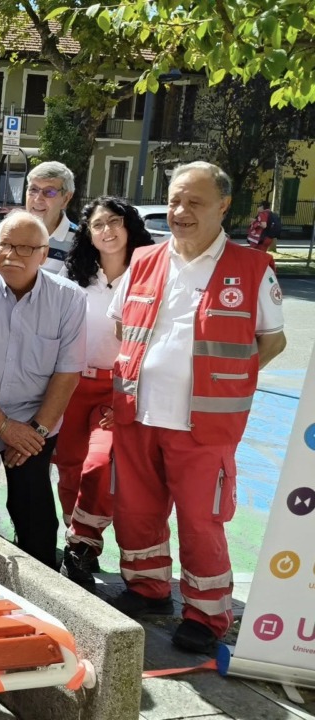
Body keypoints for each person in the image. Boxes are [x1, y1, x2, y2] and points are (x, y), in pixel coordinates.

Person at [108, 162, 286, 654]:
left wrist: (226, 381)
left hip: (204, 426)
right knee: (136, 509)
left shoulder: (252, 268)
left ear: (224, 206)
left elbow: (273, 341)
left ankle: (207, 616)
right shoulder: (143, 259)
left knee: (201, 521)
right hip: (138, 414)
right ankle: (148, 590)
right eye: (175, 200)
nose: (180, 212)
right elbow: (122, 327)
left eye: (195, 202)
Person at [0, 210, 86, 569]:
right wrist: (5, 427)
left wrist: (34, 432)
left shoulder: (68, 299)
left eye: (24, 248)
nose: (10, 254)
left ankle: (43, 590)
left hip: (35, 423)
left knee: (34, 513)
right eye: (4, 245)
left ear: (44, 254)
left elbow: (67, 374)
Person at [56, 197, 154, 591]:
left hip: (120, 387)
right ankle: (77, 547)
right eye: (98, 225)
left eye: (115, 222)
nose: (107, 231)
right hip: (72, 383)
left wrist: (130, 390)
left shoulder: (148, 274)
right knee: (69, 468)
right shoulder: (74, 276)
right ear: (89, 234)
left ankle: (82, 544)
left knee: (100, 465)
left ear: (130, 226)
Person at [0, 162, 77, 274]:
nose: (38, 199)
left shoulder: (79, 241)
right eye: (33, 189)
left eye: (49, 192)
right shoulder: (4, 232)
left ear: (66, 198)